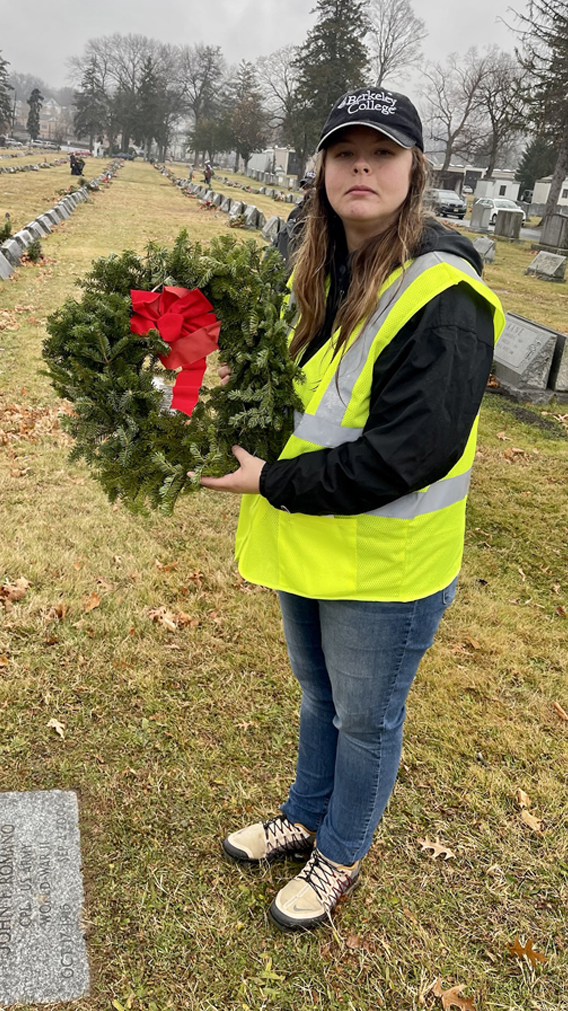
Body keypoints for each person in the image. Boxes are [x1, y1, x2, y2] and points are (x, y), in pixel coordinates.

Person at [199, 88, 503, 930]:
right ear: (322, 170)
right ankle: (306, 812)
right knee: (315, 694)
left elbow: (413, 453)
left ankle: (339, 853)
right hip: (308, 541)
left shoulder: (442, 293)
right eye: (344, 152)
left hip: (385, 560)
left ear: (414, 170)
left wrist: (275, 483)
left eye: (382, 152)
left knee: (365, 716)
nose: (360, 166)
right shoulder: (313, 263)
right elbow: (296, 394)